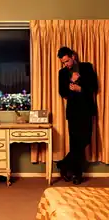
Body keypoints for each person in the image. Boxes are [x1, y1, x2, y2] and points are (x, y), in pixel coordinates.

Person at [57, 46, 98, 185]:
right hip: (73, 112)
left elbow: (94, 86)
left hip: (86, 110)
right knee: (75, 143)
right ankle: (77, 175)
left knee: (85, 140)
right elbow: (62, 92)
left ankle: (63, 164)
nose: (66, 64)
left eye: (67, 61)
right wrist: (71, 82)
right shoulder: (62, 73)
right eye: (63, 62)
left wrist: (81, 88)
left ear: (73, 56)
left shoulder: (87, 67)